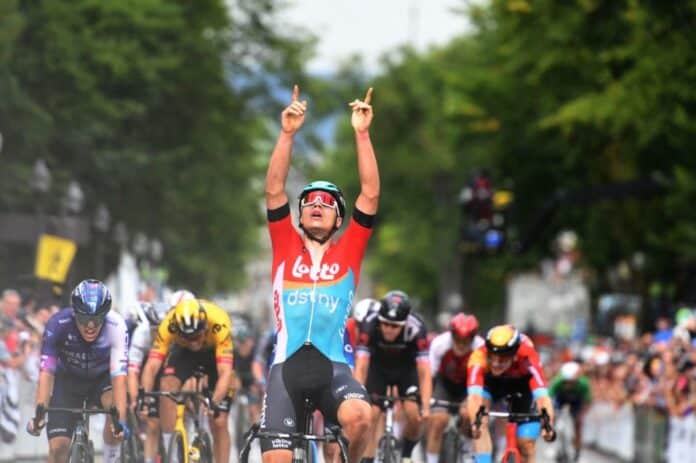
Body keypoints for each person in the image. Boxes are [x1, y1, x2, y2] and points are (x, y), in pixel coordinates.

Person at [262, 84, 378, 463]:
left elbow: (370, 195)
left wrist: (361, 134)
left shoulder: (348, 253)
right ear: (300, 214)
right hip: (286, 371)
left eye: (327, 203)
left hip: (333, 370)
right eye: (309, 201)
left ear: (338, 219)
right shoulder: (285, 247)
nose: (316, 205)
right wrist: (287, 133)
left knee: (362, 418)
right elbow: (275, 188)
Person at [26, 279, 129, 463]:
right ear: (74, 313)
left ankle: (111, 458)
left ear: (105, 315)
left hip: (102, 380)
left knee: (115, 415)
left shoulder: (116, 327)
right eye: (84, 318)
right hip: (68, 382)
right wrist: (39, 415)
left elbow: (119, 376)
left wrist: (119, 421)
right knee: (58, 449)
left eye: (97, 319)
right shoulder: (57, 324)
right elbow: (46, 372)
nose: (90, 325)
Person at [140, 298, 235, 463]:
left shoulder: (220, 321)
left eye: (197, 336)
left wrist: (214, 402)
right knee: (166, 386)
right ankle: (173, 451)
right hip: (184, 354)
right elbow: (151, 367)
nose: (194, 342)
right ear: (178, 330)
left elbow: (225, 373)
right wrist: (145, 399)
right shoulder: (168, 325)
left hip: (214, 354)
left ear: (204, 326)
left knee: (219, 422)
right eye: (188, 337)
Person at [355, 290, 432, 463]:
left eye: (395, 326)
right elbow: (361, 366)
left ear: (404, 324)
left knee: (415, 415)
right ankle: (367, 459)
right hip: (378, 369)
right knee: (371, 414)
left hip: (406, 370)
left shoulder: (417, 328)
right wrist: (358, 399)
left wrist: (426, 406)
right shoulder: (369, 324)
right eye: (385, 324)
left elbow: (424, 372)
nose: (389, 329)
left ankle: (406, 454)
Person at [467, 325, 555, 463]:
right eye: (491, 357)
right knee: (480, 421)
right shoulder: (478, 355)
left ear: (514, 356)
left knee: (526, 444)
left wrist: (548, 424)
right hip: (491, 384)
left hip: (522, 386)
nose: (495, 364)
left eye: (501, 359)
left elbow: (542, 397)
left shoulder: (528, 357)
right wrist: (475, 424)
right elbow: (474, 397)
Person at [425, 313, 483, 463]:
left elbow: (483, 380)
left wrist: (472, 403)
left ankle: (467, 448)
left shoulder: (480, 347)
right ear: (451, 336)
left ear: (473, 339)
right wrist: (426, 401)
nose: (462, 345)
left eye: (466, 341)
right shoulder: (440, 344)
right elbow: (430, 375)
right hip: (444, 385)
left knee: (468, 416)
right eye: (457, 340)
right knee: (437, 421)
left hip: (469, 386)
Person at [127, 301, 170, 463]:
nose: (158, 333)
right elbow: (132, 371)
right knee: (152, 422)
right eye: (155, 330)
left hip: (165, 368)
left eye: (161, 329)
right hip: (145, 367)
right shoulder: (141, 334)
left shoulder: (173, 334)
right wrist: (137, 399)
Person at [548, 361, 591, 462]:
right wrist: (550, 415)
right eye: (566, 382)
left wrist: (582, 415)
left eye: (571, 382)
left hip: (577, 401)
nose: (569, 385)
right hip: (561, 399)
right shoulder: (557, 382)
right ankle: (557, 445)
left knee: (578, 423)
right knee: (553, 419)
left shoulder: (583, 383)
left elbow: (587, 402)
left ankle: (577, 449)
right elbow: (548, 398)